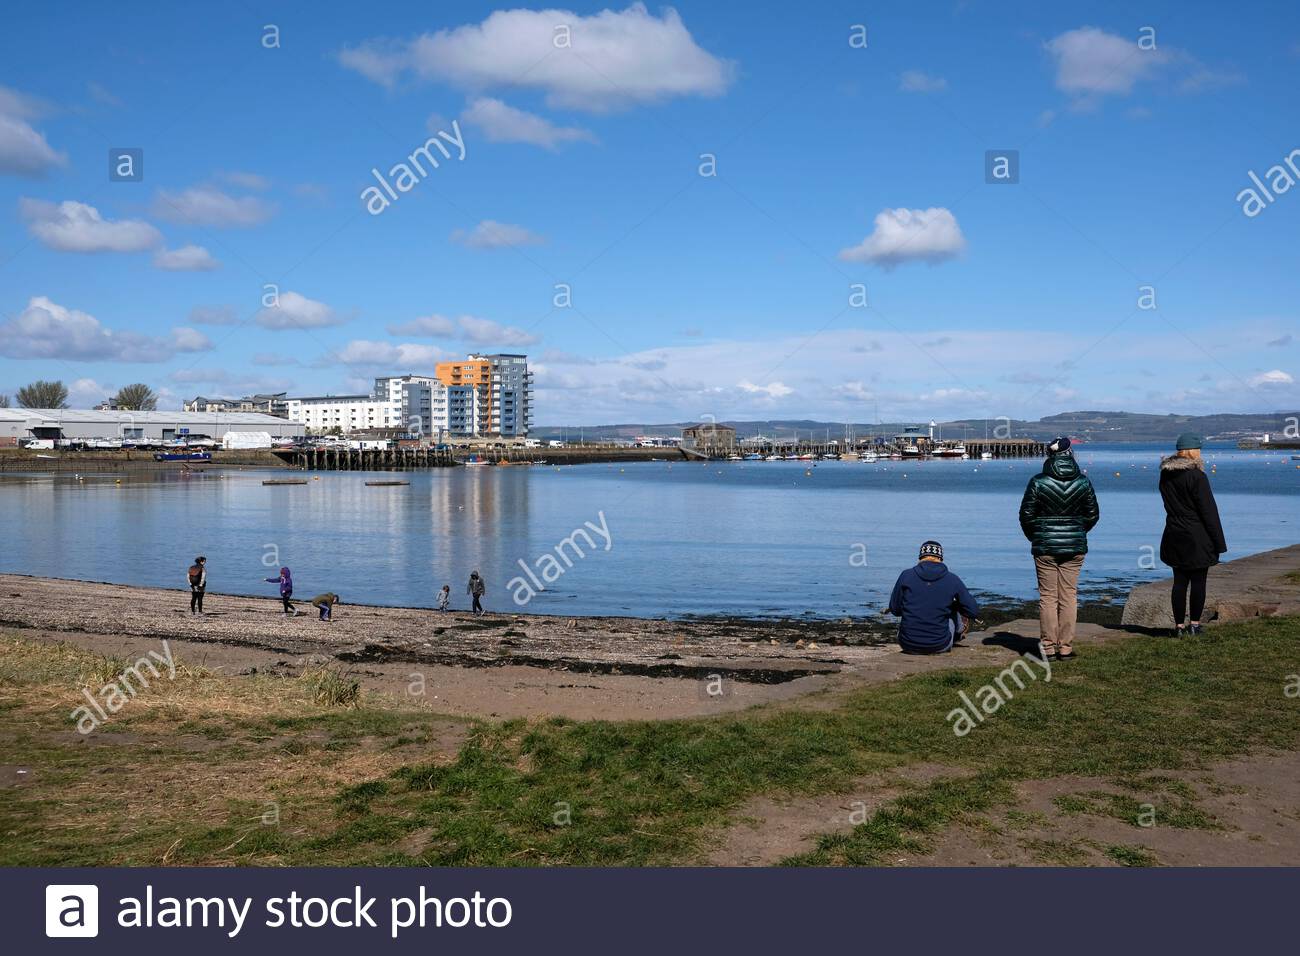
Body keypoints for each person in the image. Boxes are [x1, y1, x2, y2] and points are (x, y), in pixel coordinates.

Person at [1019, 436, 1100, 661]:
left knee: (1047, 597)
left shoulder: (1038, 481)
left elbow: (1026, 515)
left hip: (1044, 546)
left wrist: (1036, 536)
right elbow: (1093, 514)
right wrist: (1077, 531)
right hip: (1074, 547)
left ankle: (1048, 648)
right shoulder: (1083, 482)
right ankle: (1065, 648)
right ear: (1070, 453)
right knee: (1069, 596)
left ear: (1050, 455)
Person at [1159, 434, 1227, 637]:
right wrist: (1219, 543)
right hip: (1197, 535)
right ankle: (1194, 625)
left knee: (1179, 582)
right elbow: (1209, 512)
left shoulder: (1165, 475)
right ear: (1193, 451)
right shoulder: (1197, 476)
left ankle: (1178, 626)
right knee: (1198, 581)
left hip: (1173, 532)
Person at [888, 541, 981, 654]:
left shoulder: (906, 575)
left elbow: (895, 609)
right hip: (939, 645)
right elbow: (973, 611)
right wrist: (955, 606)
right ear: (940, 558)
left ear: (921, 557)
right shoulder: (952, 579)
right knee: (951, 610)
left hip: (907, 644)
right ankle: (957, 634)